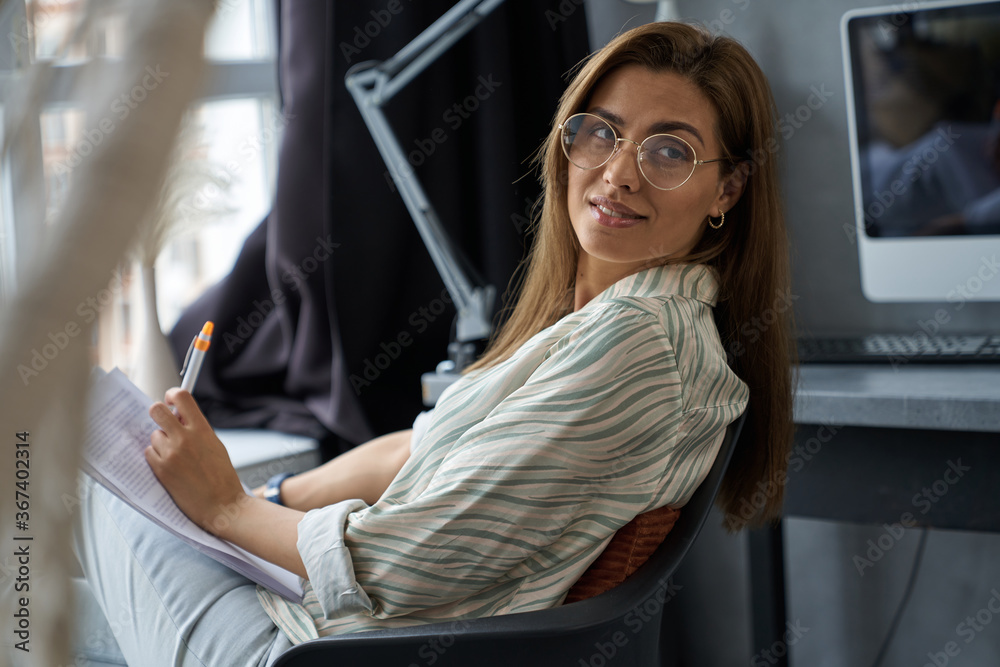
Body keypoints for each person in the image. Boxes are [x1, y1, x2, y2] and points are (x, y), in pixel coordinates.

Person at [70, 21, 794, 666]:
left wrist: (227, 507)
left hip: (321, 649)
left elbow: (400, 564)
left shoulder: (638, 346)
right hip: (329, 628)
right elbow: (420, 447)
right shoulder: (601, 322)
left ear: (727, 188)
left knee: (76, 486)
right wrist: (267, 492)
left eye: (670, 151)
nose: (618, 171)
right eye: (600, 131)